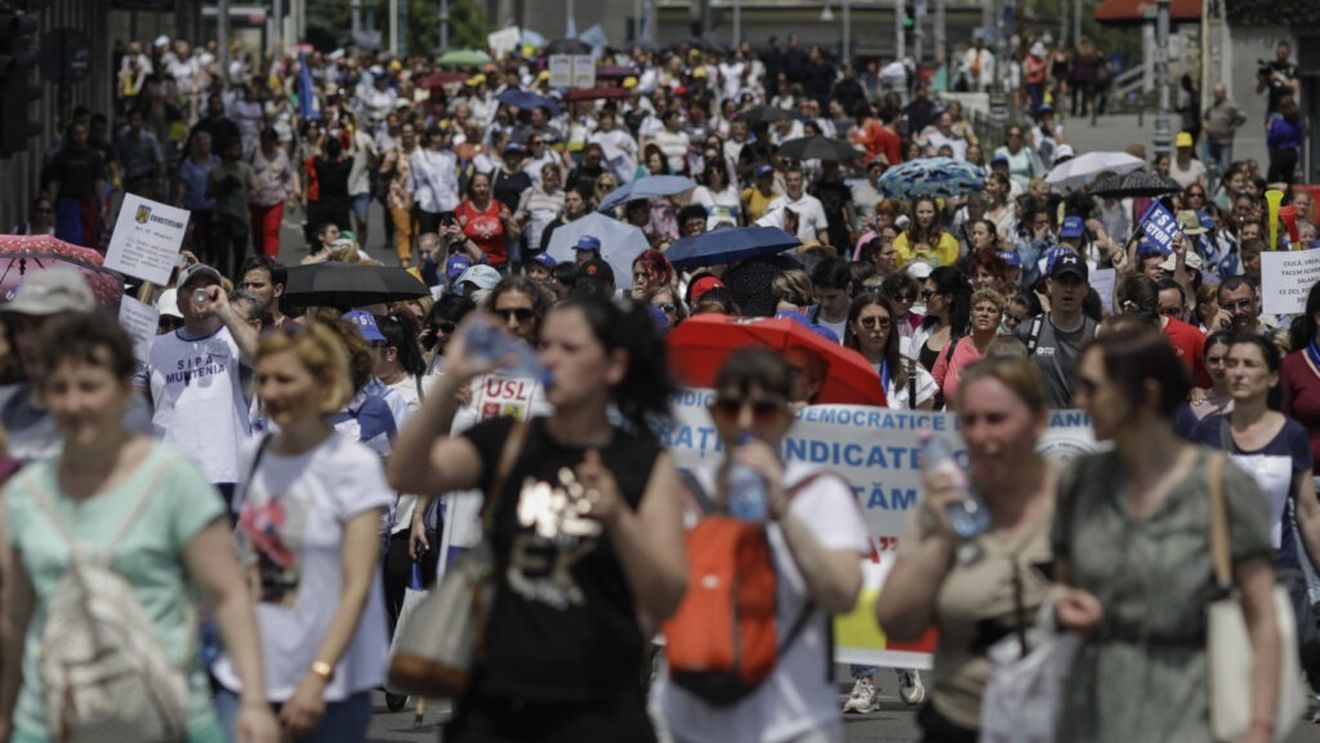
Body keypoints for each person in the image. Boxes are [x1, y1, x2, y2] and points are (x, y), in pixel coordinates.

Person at [388, 295, 687, 742]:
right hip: (495, 709)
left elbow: (669, 594)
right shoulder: (507, 441)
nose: (550, 359)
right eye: (546, 346)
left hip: (598, 710)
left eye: (570, 348)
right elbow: (406, 473)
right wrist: (451, 382)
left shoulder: (642, 462)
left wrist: (619, 518)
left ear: (614, 365)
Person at [0, 311, 279, 743]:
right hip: (50, 721)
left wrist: (255, 702)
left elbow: (228, 597)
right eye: (60, 388)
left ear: (122, 390)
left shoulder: (173, 480)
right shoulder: (25, 495)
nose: (74, 403)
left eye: (89, 386)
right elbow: (17, 619)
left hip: (166, 715)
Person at [1054, 325, 1281, 743]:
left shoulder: (1221, 487)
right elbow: (1061, 582)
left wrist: (1260, 726)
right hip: (1089, 714)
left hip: (1189, 714)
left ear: (1147, 394)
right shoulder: (1079, 482)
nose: (1078, 401)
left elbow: (1262, 617)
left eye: (1092, 387)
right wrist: (1062, 605)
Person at [652, 347, 867, 742]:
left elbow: (842, 594)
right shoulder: (683, 493)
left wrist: (783, 512)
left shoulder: (820, 492)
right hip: (690, 722)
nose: (745, 422)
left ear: (787, 418)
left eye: (764, 410)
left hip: (792, 725)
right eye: (731, 408)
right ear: (713, 414)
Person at [211, 320, 392, 742]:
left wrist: (317, 676)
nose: (271, 392)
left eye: (285, 379)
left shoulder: (353, 466)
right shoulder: (254, 453)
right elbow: (247, 567)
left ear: (323, 382)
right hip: (250, 676)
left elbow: (357, 587)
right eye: (264, 379)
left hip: (329, 685)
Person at [874, 356, 1055, 739]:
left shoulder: (1077, 496)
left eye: (996, 419)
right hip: (962, 721)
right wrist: (944, 538)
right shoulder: (939, 506)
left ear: (1039, 421)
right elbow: (896, 621)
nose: (980, 435)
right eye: (969, 421)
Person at [1188, 333, 1320, 693]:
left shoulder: (1291, 435)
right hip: (1223, 580)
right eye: (1232, 363)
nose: (1238, 372)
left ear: (1273, 377)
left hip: (1280, 577)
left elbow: (1307, 512)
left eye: (1249, 364)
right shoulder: (1206, 433)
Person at [139, 263, 258, 512]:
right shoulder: (155, 347)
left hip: (225, 473)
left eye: (209, 287)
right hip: (171, 477)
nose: (201, 293)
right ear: (179, 301)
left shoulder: (235, 340)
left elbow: (264, 359)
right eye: (192, 288)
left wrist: (226, 311)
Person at [1014, 253, 1099, 408]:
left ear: (1086, 288)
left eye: (1075, 283)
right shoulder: (1027, 332)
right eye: (1062, 282)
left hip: (1085, 423)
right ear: (1050, 284)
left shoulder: (1099, 335)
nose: (1068, 289)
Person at [844, 293, 937, 409]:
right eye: (868, 321)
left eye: (884, 321)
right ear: (853, 327)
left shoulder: (915, 375)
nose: (877, 328)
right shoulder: (836, 372)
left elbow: (924, 418)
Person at [932, 289, 1005, 404]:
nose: (984, 314)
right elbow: (931, 390)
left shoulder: (1006, 352)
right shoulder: (952, 347)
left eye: (991, 311)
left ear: (1000, 319)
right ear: (971, 316)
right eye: (979, 309)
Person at [207, 137, 256, 278]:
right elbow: (208, 194)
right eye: (235, 149)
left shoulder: (246, 169)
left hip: (240, 218)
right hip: (221, 219)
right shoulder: (215, 171)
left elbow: (254, 189)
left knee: (240, 256)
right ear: (226, 151)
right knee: (222, 257)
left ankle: (238, 283)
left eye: (239, 149)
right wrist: (223, 186)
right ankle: (224, 284)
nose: (239, 152)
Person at [452, 171, 519, 268]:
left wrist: (507, 221)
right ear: (471, 188)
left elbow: (515, 237)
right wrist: (460, 227)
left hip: (498, 263)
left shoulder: (500, 207)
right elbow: (452, 240)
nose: (482, 189)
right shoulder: (461, 209)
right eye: (478, 186)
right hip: (472, 265)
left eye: (485, 185)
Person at [248, 127, 295, 259]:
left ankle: (270, 260)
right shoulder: (254, 152)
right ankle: (260, 259)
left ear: (275, 143)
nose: (267, 146)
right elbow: (245, 170)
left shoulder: (282, 155)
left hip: (275, 201)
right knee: (257, 233)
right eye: (265, 143)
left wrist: (291, 196)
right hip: (256, 202)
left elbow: (287, 176)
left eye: (270, 143)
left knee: (271, 231)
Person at [894, 197, 960, 268]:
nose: (925, 216)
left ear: (935, 214)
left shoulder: (946, 239)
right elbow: (898, 265)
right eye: (921, 212)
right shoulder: (903, 238)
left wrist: (927, 262)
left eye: (929, 212)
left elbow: (948, 267)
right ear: (914, 214)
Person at [1202, 84, 1246, 184]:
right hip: (1211, 141)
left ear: (1223, 93)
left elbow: (1242, 117)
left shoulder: (1231, 106)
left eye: (1218, 93)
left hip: (1225, 141)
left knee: (1225, 167)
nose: (1216, 95)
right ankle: (1212, 185)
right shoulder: (1212, 105)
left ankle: (1225, 185)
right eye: (1215, 93)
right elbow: (1205, 117)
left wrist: (1233, 126)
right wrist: (1206, 126)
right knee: (1210, 166)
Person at [1256, 39, 1299, 121]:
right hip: (1273, 109)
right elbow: (1259, 91)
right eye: (1278, 53)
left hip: (1288, 110)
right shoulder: (1271, 67)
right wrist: (1266, 79)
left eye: (1283, 53)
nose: (1280, 56)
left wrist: (1280, 78)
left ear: (1288, 54)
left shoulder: (1293, 69)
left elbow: (1293, 87)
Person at [1266, 95, 1303, 186]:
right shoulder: (1297, 122)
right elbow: (1299, 140)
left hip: (1281, 152)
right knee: (1288, 179)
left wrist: (1269, 128)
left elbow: (1272, 139)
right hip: (1293, 153)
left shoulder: (1278, 121)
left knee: (1272, 179)